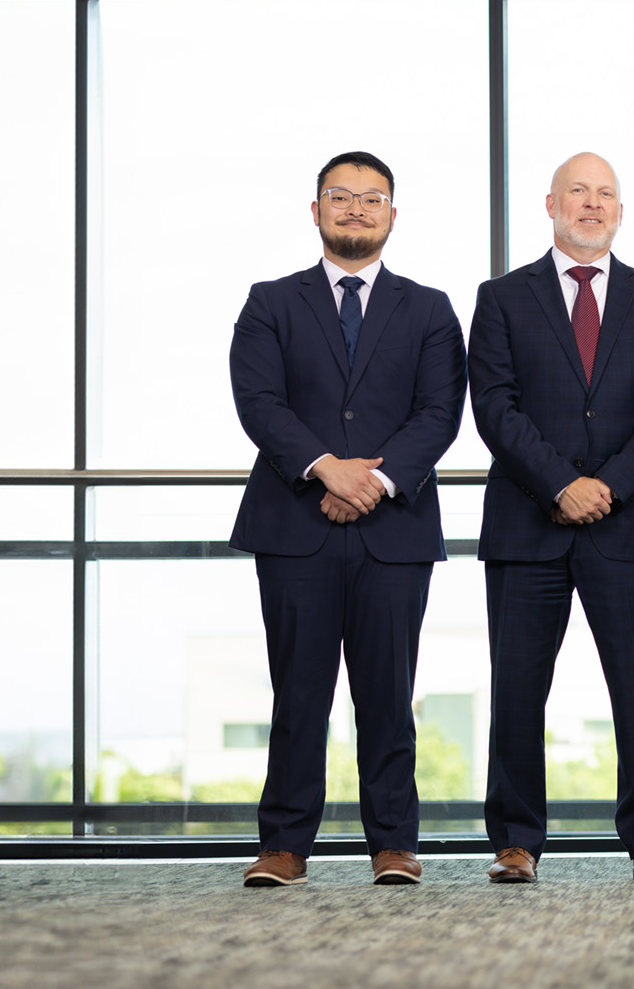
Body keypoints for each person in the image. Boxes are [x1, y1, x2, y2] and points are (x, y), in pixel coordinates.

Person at [229, 151, 467, 887]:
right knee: (298, 692)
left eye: (373, 199)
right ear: (316, 210)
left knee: (389, 696)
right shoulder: (271, 301)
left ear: (393, 215)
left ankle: (394, 843)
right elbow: (259, 402)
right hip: (295, 523)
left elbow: (439, 412)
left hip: (393, 532)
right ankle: (284, 847)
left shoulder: (429, 308)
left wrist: (376, 480)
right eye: (342, 197)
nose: (357, 209)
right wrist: (327, 468)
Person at [468, 153, 634, 883]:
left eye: (605, 195)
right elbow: (494, 407)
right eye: (578, 193)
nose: (591, 206)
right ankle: (515, 842)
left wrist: (608, 486)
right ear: (551, 204)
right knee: (516, 691)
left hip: (626, 525)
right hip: (527, 523)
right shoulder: (501, 298)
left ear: (620, 212)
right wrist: (562, 483)